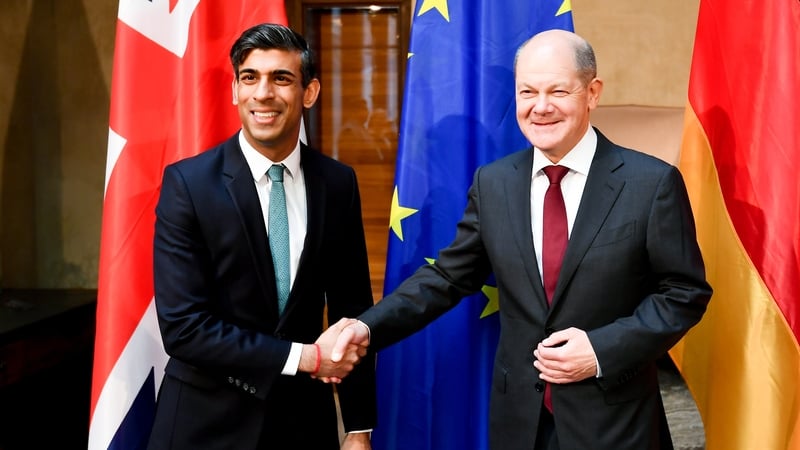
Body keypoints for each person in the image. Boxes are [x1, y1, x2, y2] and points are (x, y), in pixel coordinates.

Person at [329, 29, 712, 450]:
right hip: (520, 425)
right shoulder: (494, 184)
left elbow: (684, 292)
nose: (540, 107)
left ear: (592, 93)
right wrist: (367, 327)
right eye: (527, 91)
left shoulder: (650, 183)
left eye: (558, 91)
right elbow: (447, 278)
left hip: (615, 423)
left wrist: (601, 349)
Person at [147, 23, 376, 450]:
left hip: (303, 428)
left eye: (281, 78)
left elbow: (353, 313)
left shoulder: (338, 183)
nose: (263, 93)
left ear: (309, 93)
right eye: (250, 78)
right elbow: (183, 327)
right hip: (203, 427)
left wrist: (359, 428)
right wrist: (305, 357)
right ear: (234, 89)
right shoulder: (188, 184)